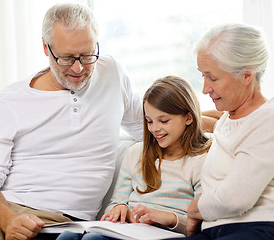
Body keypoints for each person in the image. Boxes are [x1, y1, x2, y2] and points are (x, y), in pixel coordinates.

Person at [0, 2, 144, 240]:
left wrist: (198, 119)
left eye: (88, 55)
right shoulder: (11, 101)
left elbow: (152, 124)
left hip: (62, 224)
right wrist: (8, 221)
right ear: (45, 48)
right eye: (67, 58)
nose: (79, 68)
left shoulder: (112, 73)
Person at [175, 23, 274, 240]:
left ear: (247, 75)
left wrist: (194, 210)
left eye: (213, 78)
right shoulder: (227, 121)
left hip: (270, 228)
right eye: (202, 76)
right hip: (220, 231)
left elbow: (235, 198)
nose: (205, 89)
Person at [55, 75, 212, 240]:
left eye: (164, 121)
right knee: (68, 237)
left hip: (166, 235)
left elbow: (203, 223)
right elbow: (115, 203)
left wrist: (169, 218)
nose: (155, 129)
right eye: (149, 121)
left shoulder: (202, 160)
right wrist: (119, 208)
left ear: (188, 117)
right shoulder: (137, 153)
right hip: (129, 232)